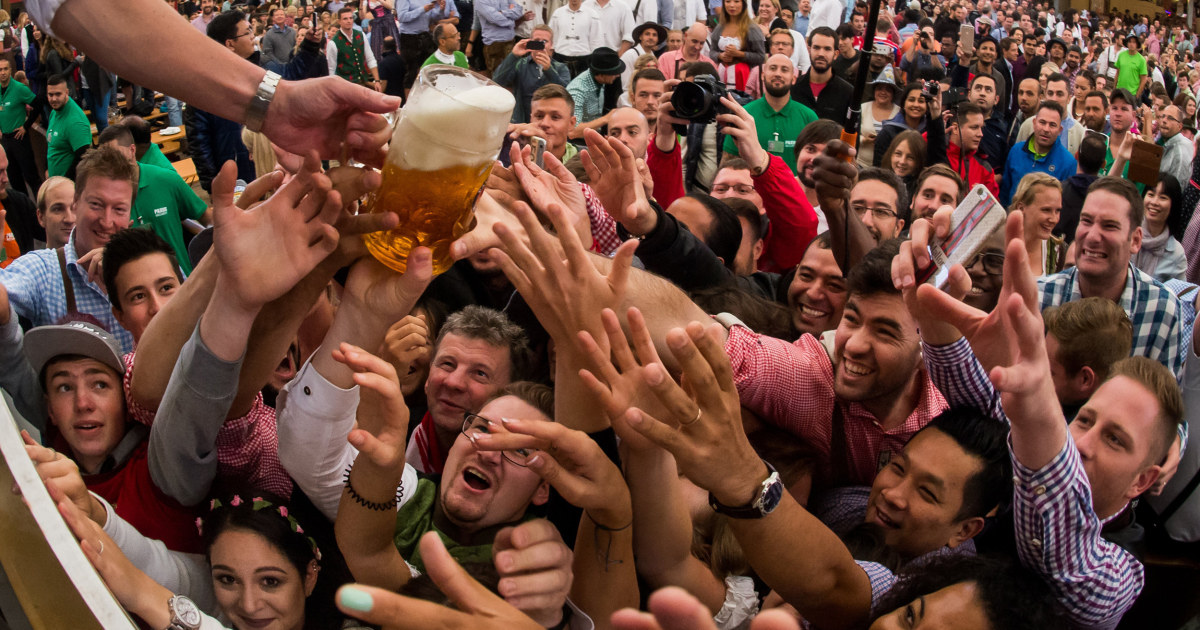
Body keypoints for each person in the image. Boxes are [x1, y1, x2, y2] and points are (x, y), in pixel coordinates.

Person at [1039, 177, 1184, 376]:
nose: (1092, 236)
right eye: (1086, 221)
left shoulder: (1161, 310)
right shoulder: (1039, 297)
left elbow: (1161, 404)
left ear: (1135, 240)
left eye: (1109, 226)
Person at [0, 146, 136, 352]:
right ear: (76, 204)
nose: (107, 222)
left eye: (118, 209)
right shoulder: (43, 270)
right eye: (96, 205)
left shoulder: (148, 264)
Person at [98, 126, 209, 275]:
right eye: (106, 158)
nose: (111, 163)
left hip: (182, 285)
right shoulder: (104, 197)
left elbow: (206, 217)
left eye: (116, 156)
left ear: (132, 150)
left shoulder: (166, 180)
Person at [722, 54, 816, 176]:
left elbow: (818, 163)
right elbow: (728, 163)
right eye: (772, 68)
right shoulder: (744, 115)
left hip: (795, 193)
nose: (778, 73)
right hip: (754, 192)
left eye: (784, 70)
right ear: (762, 75)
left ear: (793, 78)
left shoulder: (809, 117)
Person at [1001, 100, 1076, 207]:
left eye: (1052, 125)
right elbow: (1005, 192)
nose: (1046, 129)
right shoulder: (1016, 151)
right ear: (1034, 123)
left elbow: (1065, 206)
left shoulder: (1068, 163)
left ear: (1060, 130)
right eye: (1042, 122)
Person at [494, 26, 570, 124]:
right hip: (522, 121)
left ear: (551, 45)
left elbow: (566, 94)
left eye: (544, 41)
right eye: (536, 40)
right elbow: (497, 81)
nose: (540, 44)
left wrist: (549, 70)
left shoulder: (561, 67)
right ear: (530, 42)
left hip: (549, 122)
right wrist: (513, 55)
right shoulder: (520, 64)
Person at [791, 26, 852, 122]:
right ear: (809, 50)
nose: (821, 54)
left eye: (827, 49)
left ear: (835, 54)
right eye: (816, 48)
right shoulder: (793, 88)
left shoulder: (848, 93)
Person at [1010, 172, 1065, 276]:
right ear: (1021, 208)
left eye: (1057, 211)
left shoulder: (1057, 252)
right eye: (1046, 210)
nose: (1054, 219)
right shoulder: (997, 244)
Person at [1134, 175, 1187, 282]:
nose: (1154, 202)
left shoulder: (1176, 254)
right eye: (1151, 194)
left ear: (1173, 205)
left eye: (1163, 197)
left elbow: (1180, 296)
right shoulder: (1128, 234)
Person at [0, 57, 39, 198]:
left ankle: (40, 208)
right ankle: (24, 210)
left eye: (5, 69)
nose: (3, 72)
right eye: (0, 70)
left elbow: (38, 105)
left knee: (30, 175)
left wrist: (25, 126)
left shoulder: (19, 88)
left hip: (19, 137)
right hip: (6, 139)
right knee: (14, 179)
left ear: (10, 70)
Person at [398, 0, 459, 88]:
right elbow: (402, 17)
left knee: (430, 70)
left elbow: (432, 18)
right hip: (410, 37)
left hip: (425, 36)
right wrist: (422, 9)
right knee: (411, 72)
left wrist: (440, 10)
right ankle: (411, 100)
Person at [709, 0, 766, 91]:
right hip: (721, 75)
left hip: (743, 76)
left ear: (743, 4)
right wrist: (720, 56)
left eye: (736, 1)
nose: (732, 5)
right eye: (728, 1)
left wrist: (739, 54)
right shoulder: (719, 27)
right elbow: (712, 52)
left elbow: (761, 56)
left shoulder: (752, 28)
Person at [565, 47, 623, 134]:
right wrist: (606, 119)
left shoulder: (600, 80)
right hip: (578, 143)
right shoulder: (577, 91)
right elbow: (572, 131)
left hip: (593, 136)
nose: (618, 75)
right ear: (601, 74)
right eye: (614, 72)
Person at [44, 73, 91, 179]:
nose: (54, 99)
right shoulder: (55, 111)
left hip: (68, 187)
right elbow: (51, 143)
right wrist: (47, 169)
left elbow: (83, 157)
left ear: (67, 92)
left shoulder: (75, 122)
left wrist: (65, 182)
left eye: (58, 94)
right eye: (50, 95)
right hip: (54, 182)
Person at [871, 81, 927, 168]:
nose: (916, 105)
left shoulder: (930, 132)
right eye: (911, 100)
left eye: (921, 101)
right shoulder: (888, 132)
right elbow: (878, 167)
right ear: (903, 104)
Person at [327, 7, 381, 89]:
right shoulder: (333, 43)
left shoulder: (361, 35)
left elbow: (370, 59)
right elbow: (331, 70)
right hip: (344, 86)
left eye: (351, 18)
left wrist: (377, 81)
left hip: (363, 83)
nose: (349, 21)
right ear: (339, 21)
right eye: (345, 19)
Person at [856, 66, 899, 169]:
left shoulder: (899, 112)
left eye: (888, 90)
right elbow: (851, 132)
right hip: (860, 164)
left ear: (893, 94)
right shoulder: (862, 108)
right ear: (874, 91)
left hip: (888, 167)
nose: (883, 92)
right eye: (879, 88)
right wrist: (864, 140)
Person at [546, 0, 597, 79]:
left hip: (584, 60)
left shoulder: (592, 14)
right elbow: (551, 37)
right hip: (560, 59)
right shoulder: (558, 13)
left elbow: (596, 40)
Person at [34, 176, 74, 251]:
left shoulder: (98, 259)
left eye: (74, 208)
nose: (69, 219)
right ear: (41, 217)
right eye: (58, 209)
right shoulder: (32, 262)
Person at [1158, 105, 1193, 186]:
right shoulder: (1165, 141)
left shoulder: (1180, 153)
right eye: (1163, 116)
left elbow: (1175, 190)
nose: (1164, 120)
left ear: (1180, 126)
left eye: (1170, 118)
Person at [1114, 33, 1148, 99]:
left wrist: (1137, 94)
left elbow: (1143, 79)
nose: (1131, 44)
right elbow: (1117, 73)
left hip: (1132, 93)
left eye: (1134, 42)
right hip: (1119, 91)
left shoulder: (1141, 60)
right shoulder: (1121, 55)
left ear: (1137, 44)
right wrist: (1114, 88)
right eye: (1129, 42)